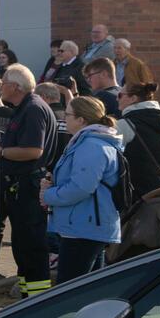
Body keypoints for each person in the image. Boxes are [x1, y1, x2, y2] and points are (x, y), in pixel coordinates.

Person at [41, 94, 124, 284]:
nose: (64, 119)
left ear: (81, 120)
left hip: (84, 227)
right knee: (88, 288)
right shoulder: (89, 143)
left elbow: (81, 188)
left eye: (68, 115)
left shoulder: (92, 145)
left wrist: (49, 195)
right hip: (85, 224)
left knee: (70, 288)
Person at [0, 64, 53, 298]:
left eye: (3, 82)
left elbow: (33, 150)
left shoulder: (33, 109)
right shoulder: (24, 107)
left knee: (31, 246)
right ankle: (28, 295)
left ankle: (37, 299)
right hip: (21, 187)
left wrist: (1, 152)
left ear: (15, 86)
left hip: (28, 187)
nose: (0, 86)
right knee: (22, 245)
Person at [115, 80, 160, 201]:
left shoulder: (125, 124)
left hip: (137, 194)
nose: (117, 99)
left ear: (133, 98)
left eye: (120, 95)